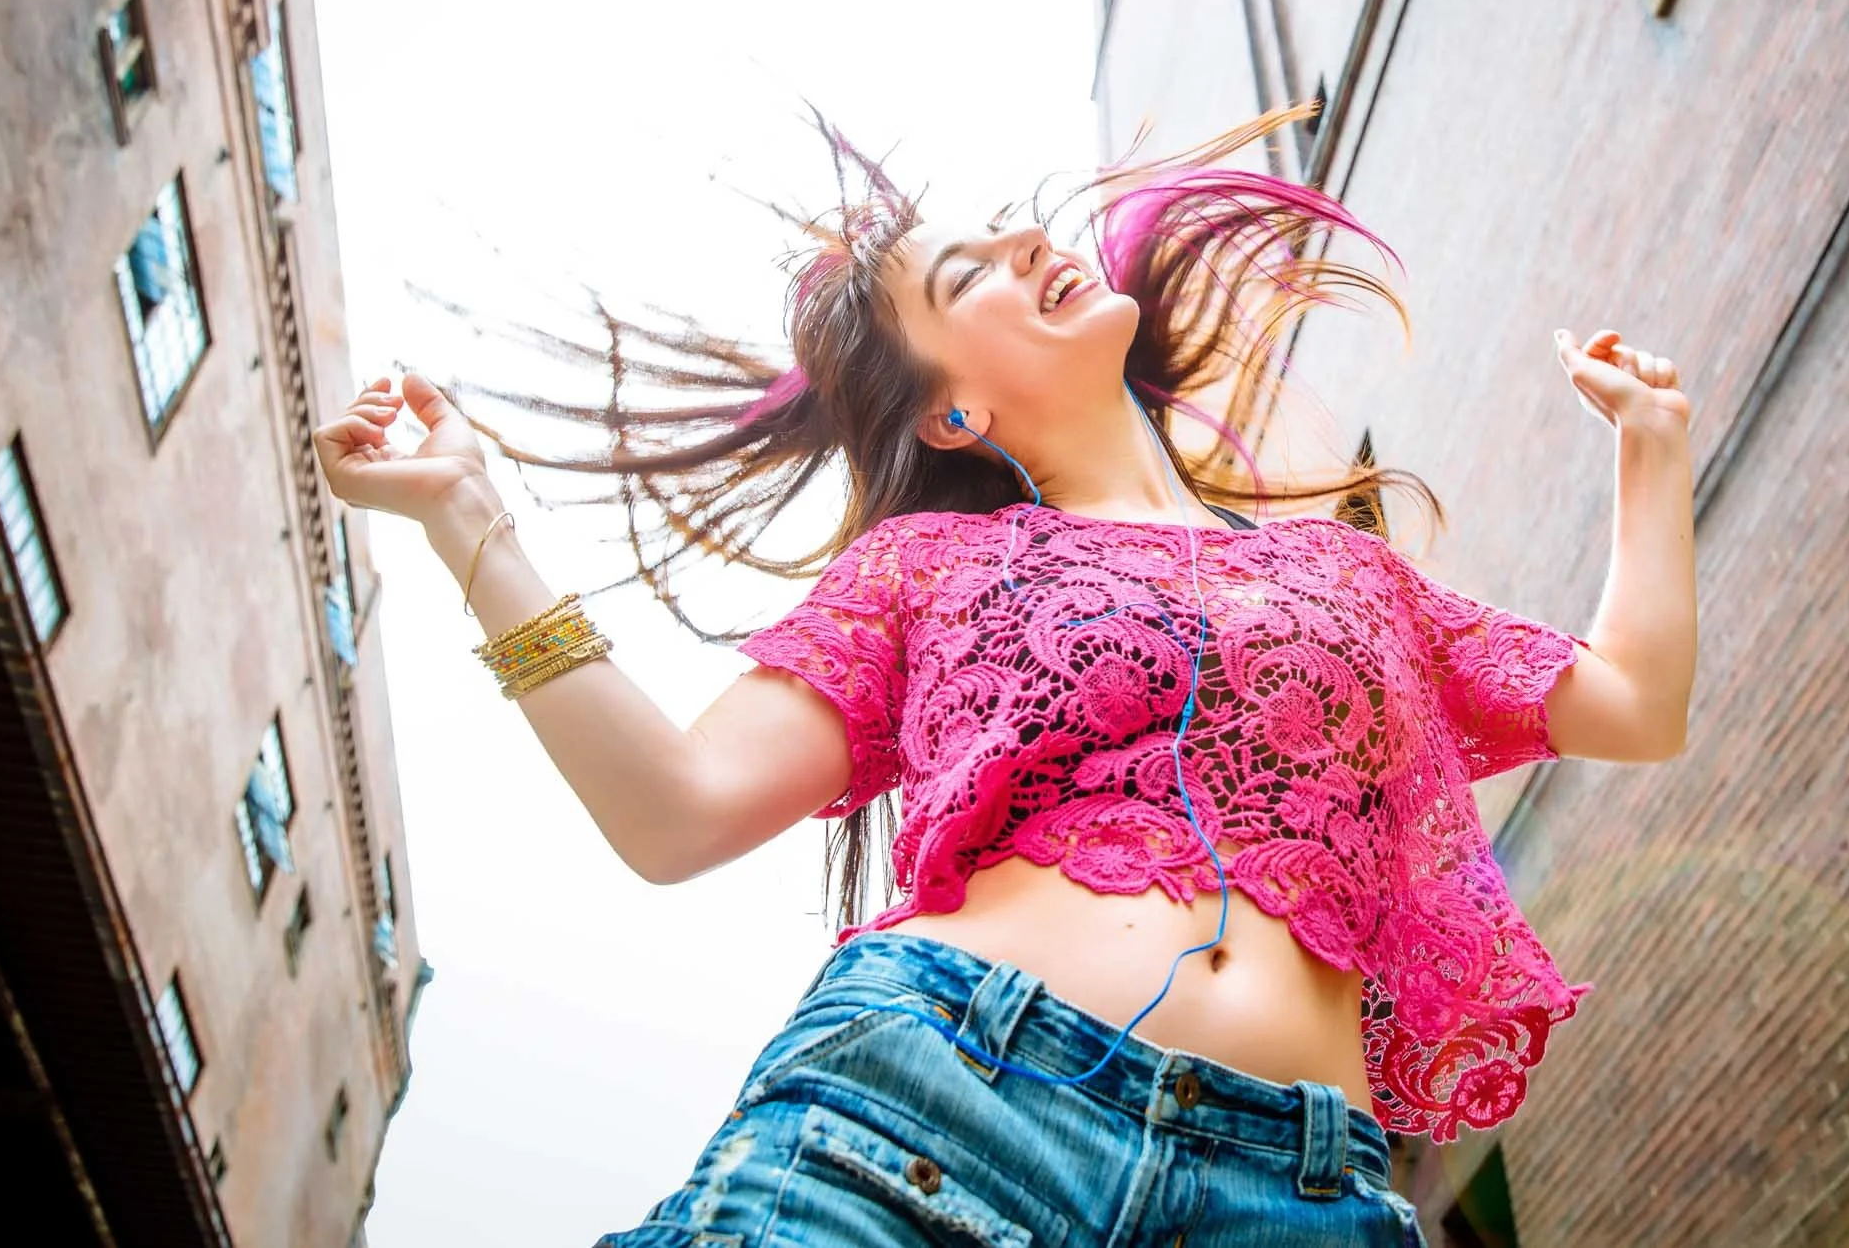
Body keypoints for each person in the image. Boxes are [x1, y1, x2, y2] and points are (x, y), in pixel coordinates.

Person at [312, 106, 1698, 1246]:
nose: (1034, 239)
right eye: (965, 272)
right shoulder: (924, 569)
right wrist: (465, 520)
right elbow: (673, 810)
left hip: (1296, 1196)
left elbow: (1633, 703)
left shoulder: (1352, 577)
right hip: (935, 1108)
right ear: (952, 411)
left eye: (1013, 231)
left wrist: (1654, 445)